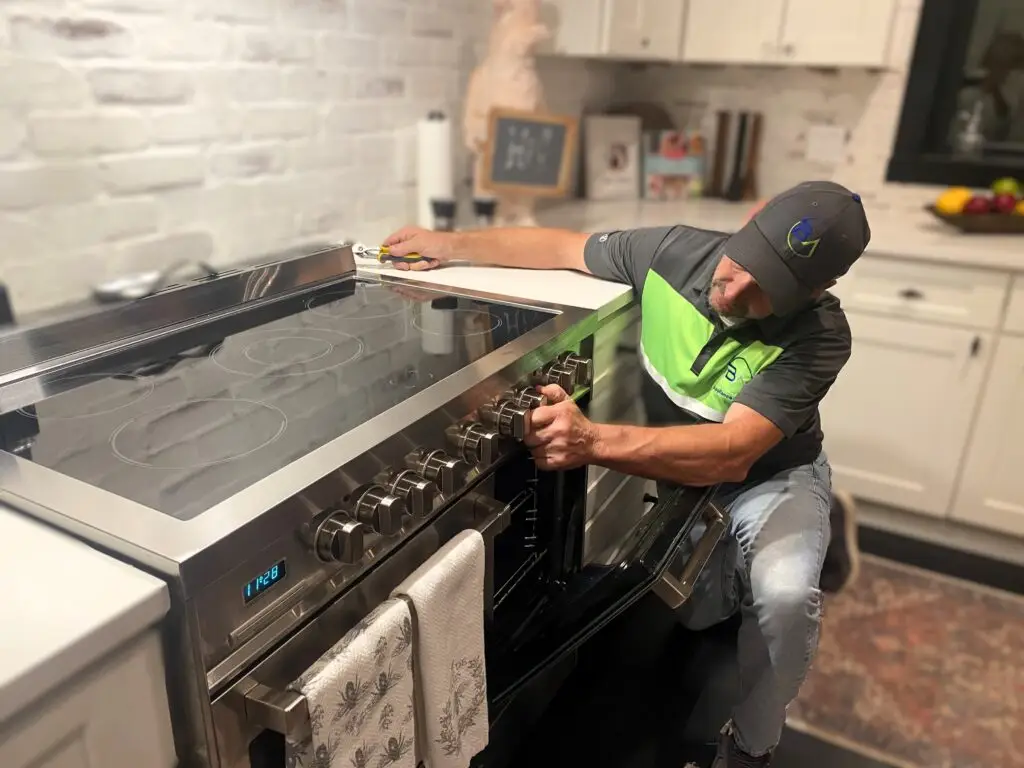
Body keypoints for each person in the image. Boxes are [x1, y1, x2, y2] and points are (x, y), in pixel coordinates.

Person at [382, 180, 868, 767]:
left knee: (785, 601)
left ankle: (749, 747)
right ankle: (787, 547)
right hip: (683, 482)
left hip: (770, 478)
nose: (736, 290)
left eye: (768, 289)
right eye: (745, 262)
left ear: (817, 291)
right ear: (752, 220)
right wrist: (450, 242)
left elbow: (733, 452)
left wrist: (590, 441)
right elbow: (563, 246)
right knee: (702, 614)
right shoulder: (672, 252)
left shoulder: (821, 335)